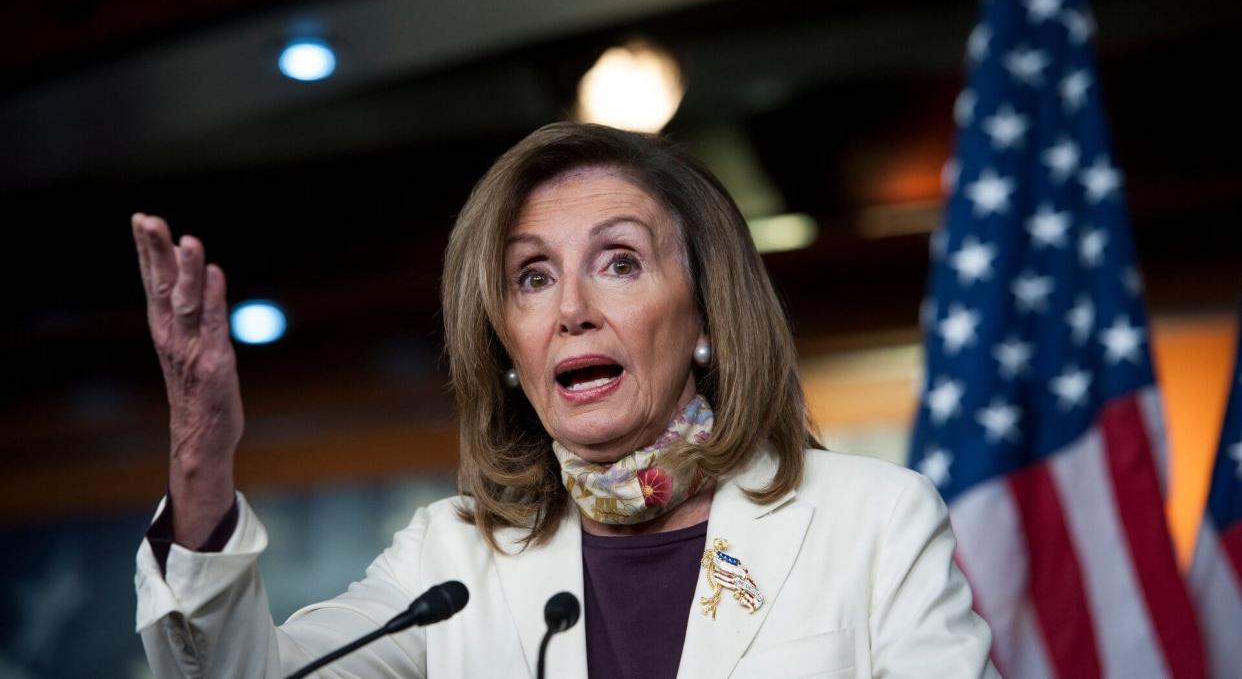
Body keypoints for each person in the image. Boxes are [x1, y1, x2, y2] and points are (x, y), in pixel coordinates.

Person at [133, 122, 997, 678]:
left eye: (619, 261)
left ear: (705, 317)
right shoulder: (452, 559)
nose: (572, 308)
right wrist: (201, 461)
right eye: (532, 277)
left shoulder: (873, 521)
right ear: (507, 346)